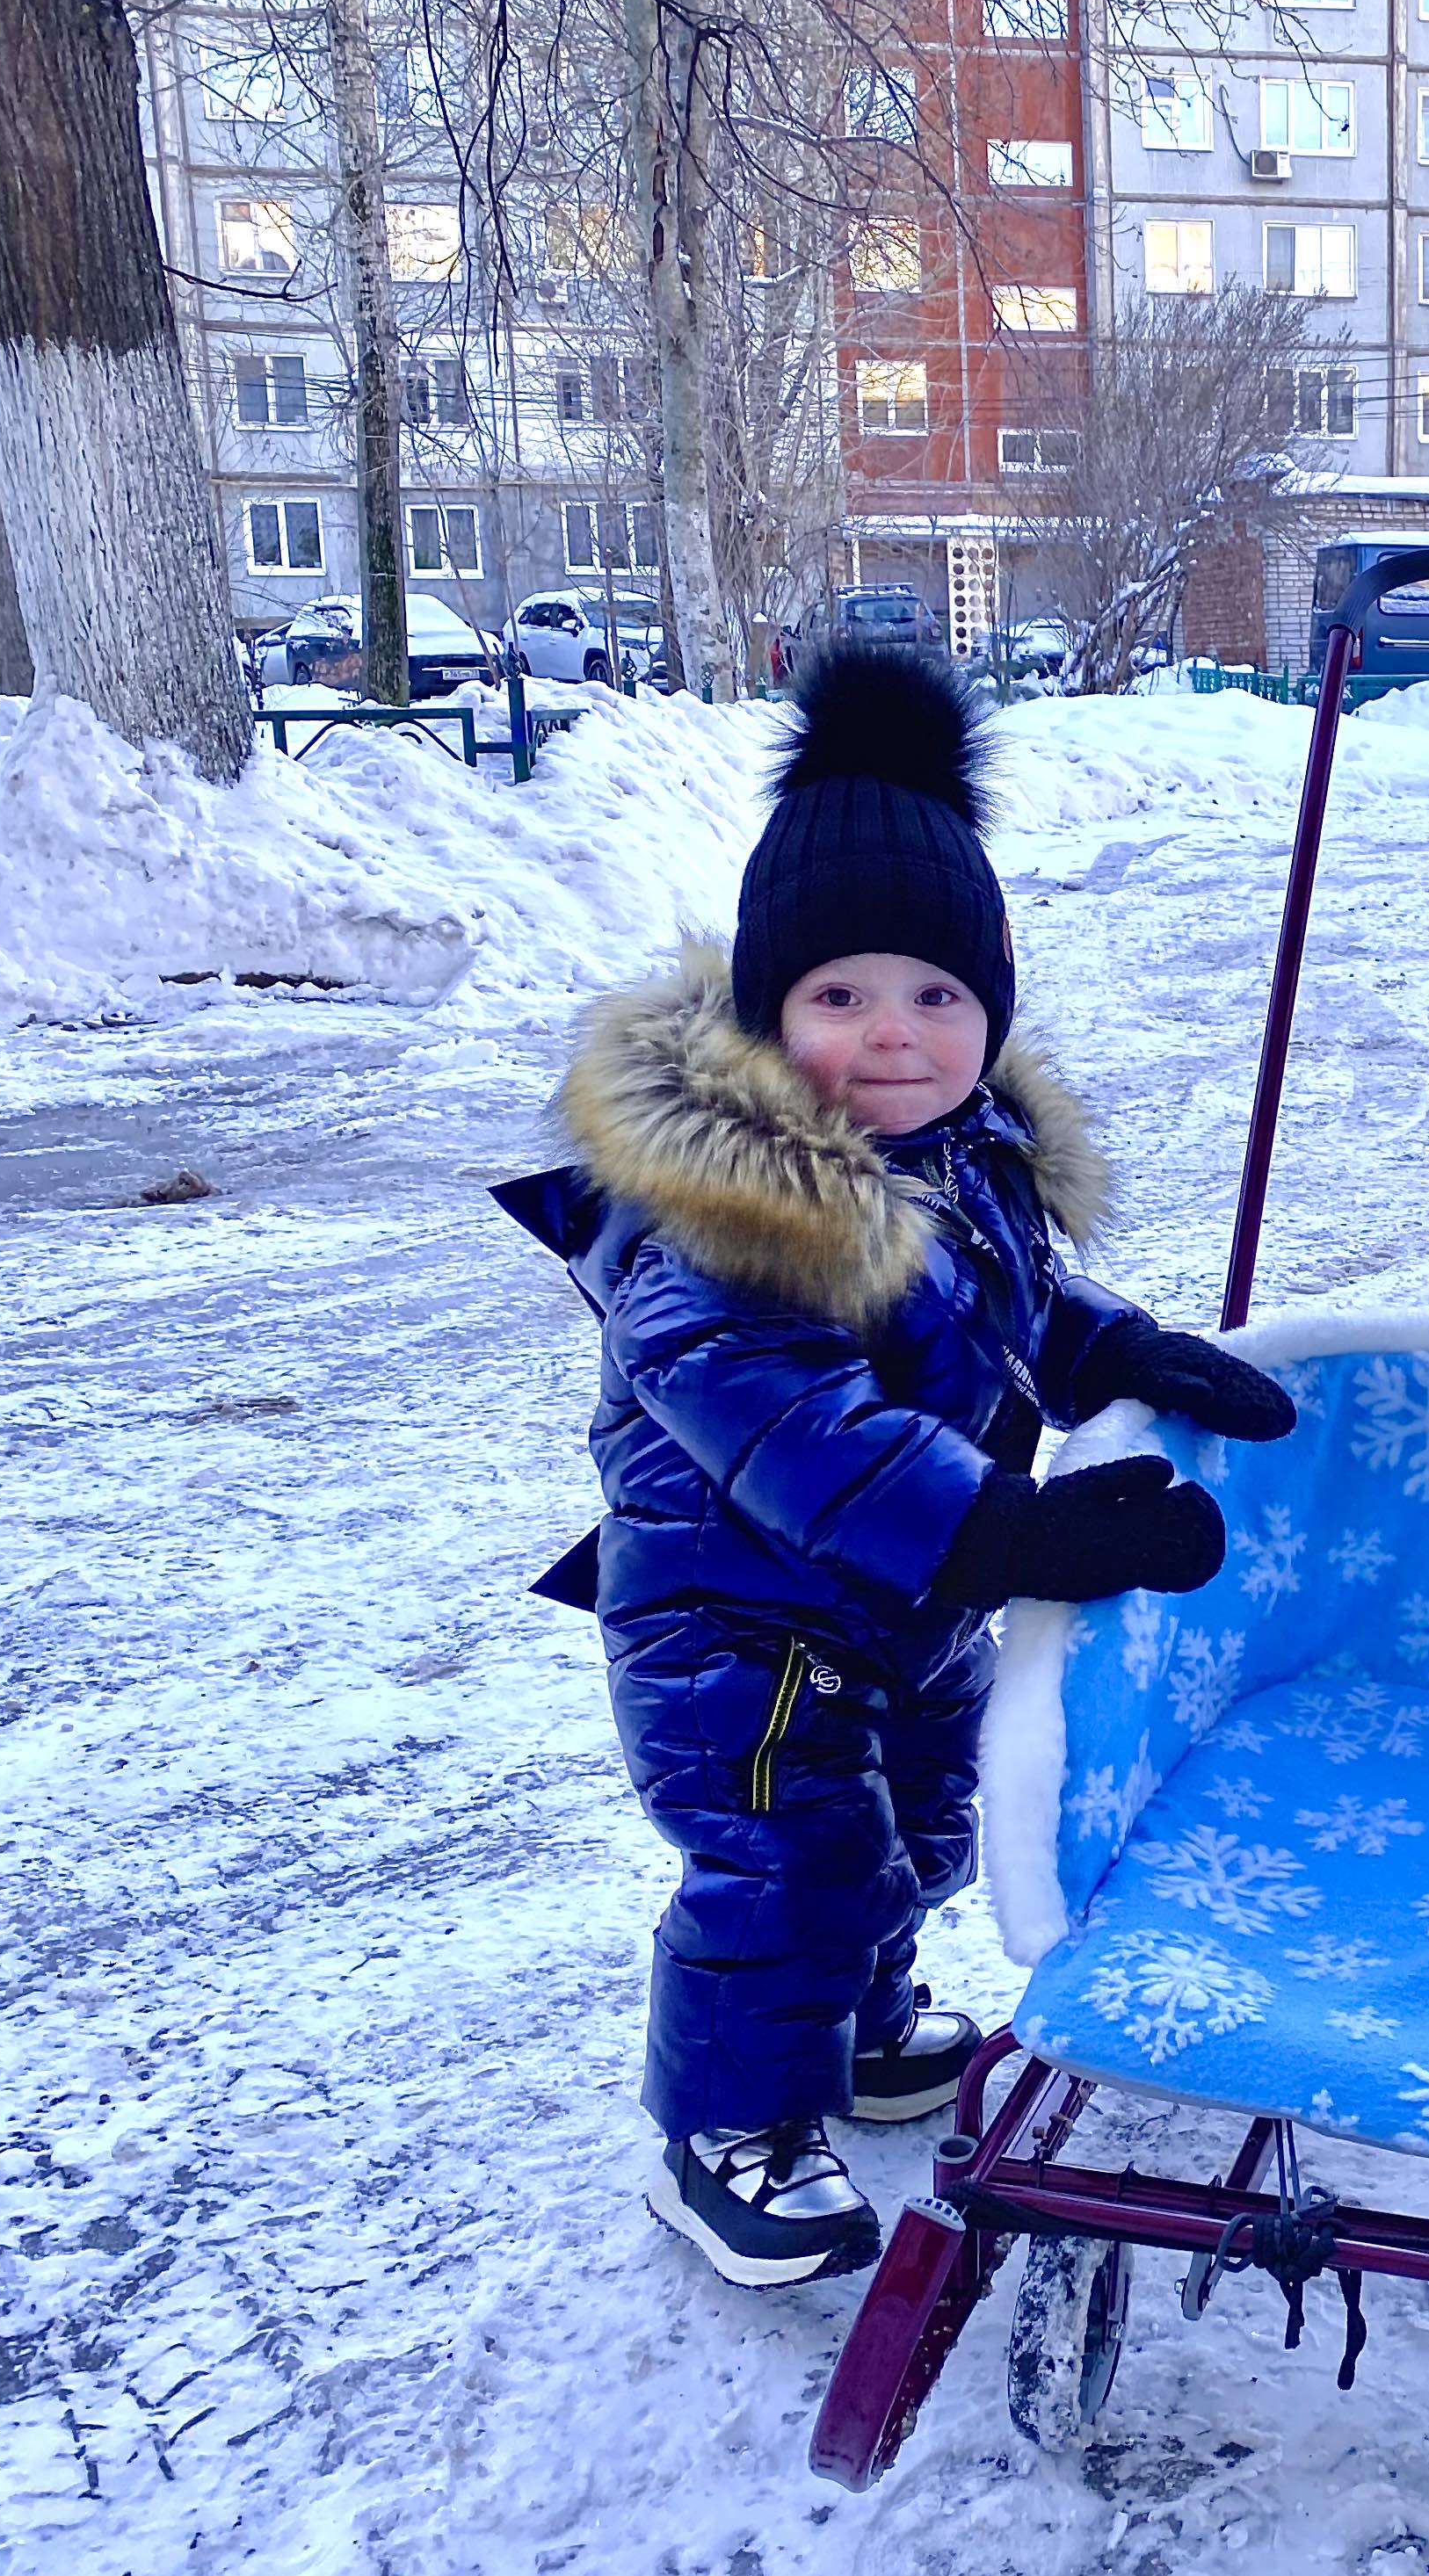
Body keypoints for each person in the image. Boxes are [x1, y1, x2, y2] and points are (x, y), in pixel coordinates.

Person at [498, 641, 1295, 2286]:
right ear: (770, 1013)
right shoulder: (718, 1217)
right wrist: (1016, 1529)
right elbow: (796, 1430)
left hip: (905, 1608)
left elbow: (1002, 1313)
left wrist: (1116, 1352)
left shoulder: (963, 1156)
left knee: (924, 1824)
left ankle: (857, 2034)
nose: (897, 1035)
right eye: (842, 996)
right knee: (794, 1859)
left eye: (939, 996)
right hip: (741, 1619)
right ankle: (720, 2132)